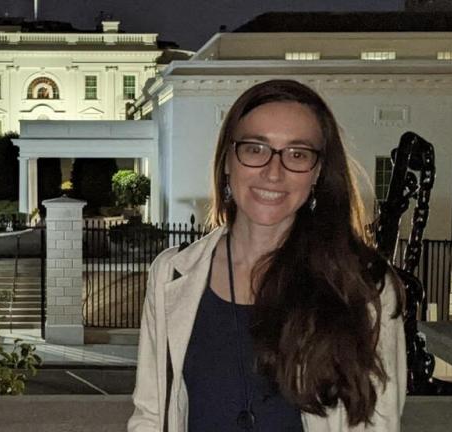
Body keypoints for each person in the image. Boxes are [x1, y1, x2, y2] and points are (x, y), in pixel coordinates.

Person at [128, 80, 406, 432]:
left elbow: (378, 423)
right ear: (228, 160)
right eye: (256, 148)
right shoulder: (171, 275)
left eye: (297, 154)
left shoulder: (363, 286)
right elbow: (151, 415)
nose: (273, 172)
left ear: (318, 172)